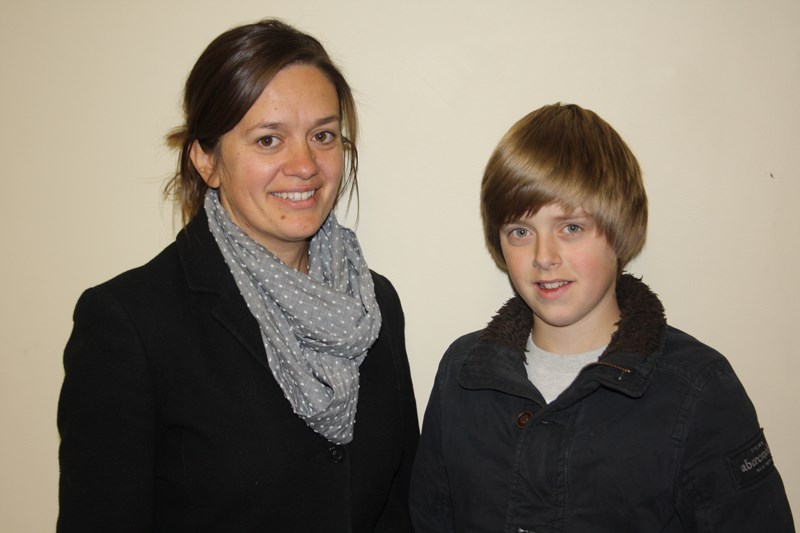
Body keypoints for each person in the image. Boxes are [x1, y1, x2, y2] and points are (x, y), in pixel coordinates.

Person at [58, 19, 418, 532]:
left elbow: (397, 509)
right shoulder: (129, 324)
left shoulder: (375, 303)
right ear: (206, 159)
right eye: (269, 140)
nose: (305, 165)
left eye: (323, 135)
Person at [409, 103, 794, 532]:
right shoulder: (462, 374)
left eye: (571, 227)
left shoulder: (699, 388)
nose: (544, 257)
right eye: (520, 231)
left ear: (623, 229)